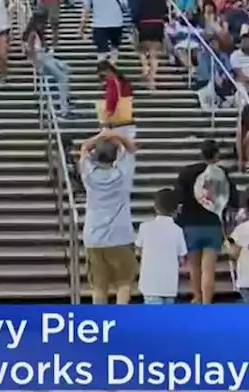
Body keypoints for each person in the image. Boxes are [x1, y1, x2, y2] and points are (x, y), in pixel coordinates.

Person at [78, 128, 139, 304]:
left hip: (94, 235)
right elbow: (131, 148)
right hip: (120, 234)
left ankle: (100, 322)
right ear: (115, 156)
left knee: (98, 286)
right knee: (123, 283)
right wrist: (115, 135)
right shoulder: (123, 174)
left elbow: (84, 148)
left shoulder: (88, 175)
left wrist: (100, 135)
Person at [173, 139, 234, 304]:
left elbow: (178, 198)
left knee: (194, 267)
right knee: (209, 268)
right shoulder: (221, 173)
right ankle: (207, 301)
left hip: (191, 224)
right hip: (213, 224)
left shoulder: (187, 173)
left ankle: (197, 296)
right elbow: (231, 198)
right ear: (217, 154)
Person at [135, 188, 186, 304]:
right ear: (177, 209)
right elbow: (182, 258)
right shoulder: (178, 230)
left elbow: (137, 250)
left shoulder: (145, 227)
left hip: (149, 284)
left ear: (155, 207)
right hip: (169, 285)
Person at [79, 0, 129, 64]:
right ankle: (112, 66)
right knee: (115, 49)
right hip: (117, 23)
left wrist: (82, 28)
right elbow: (125, 7)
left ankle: (104, 73)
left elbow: (86, 11)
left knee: (102, 51)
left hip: (99, 25)